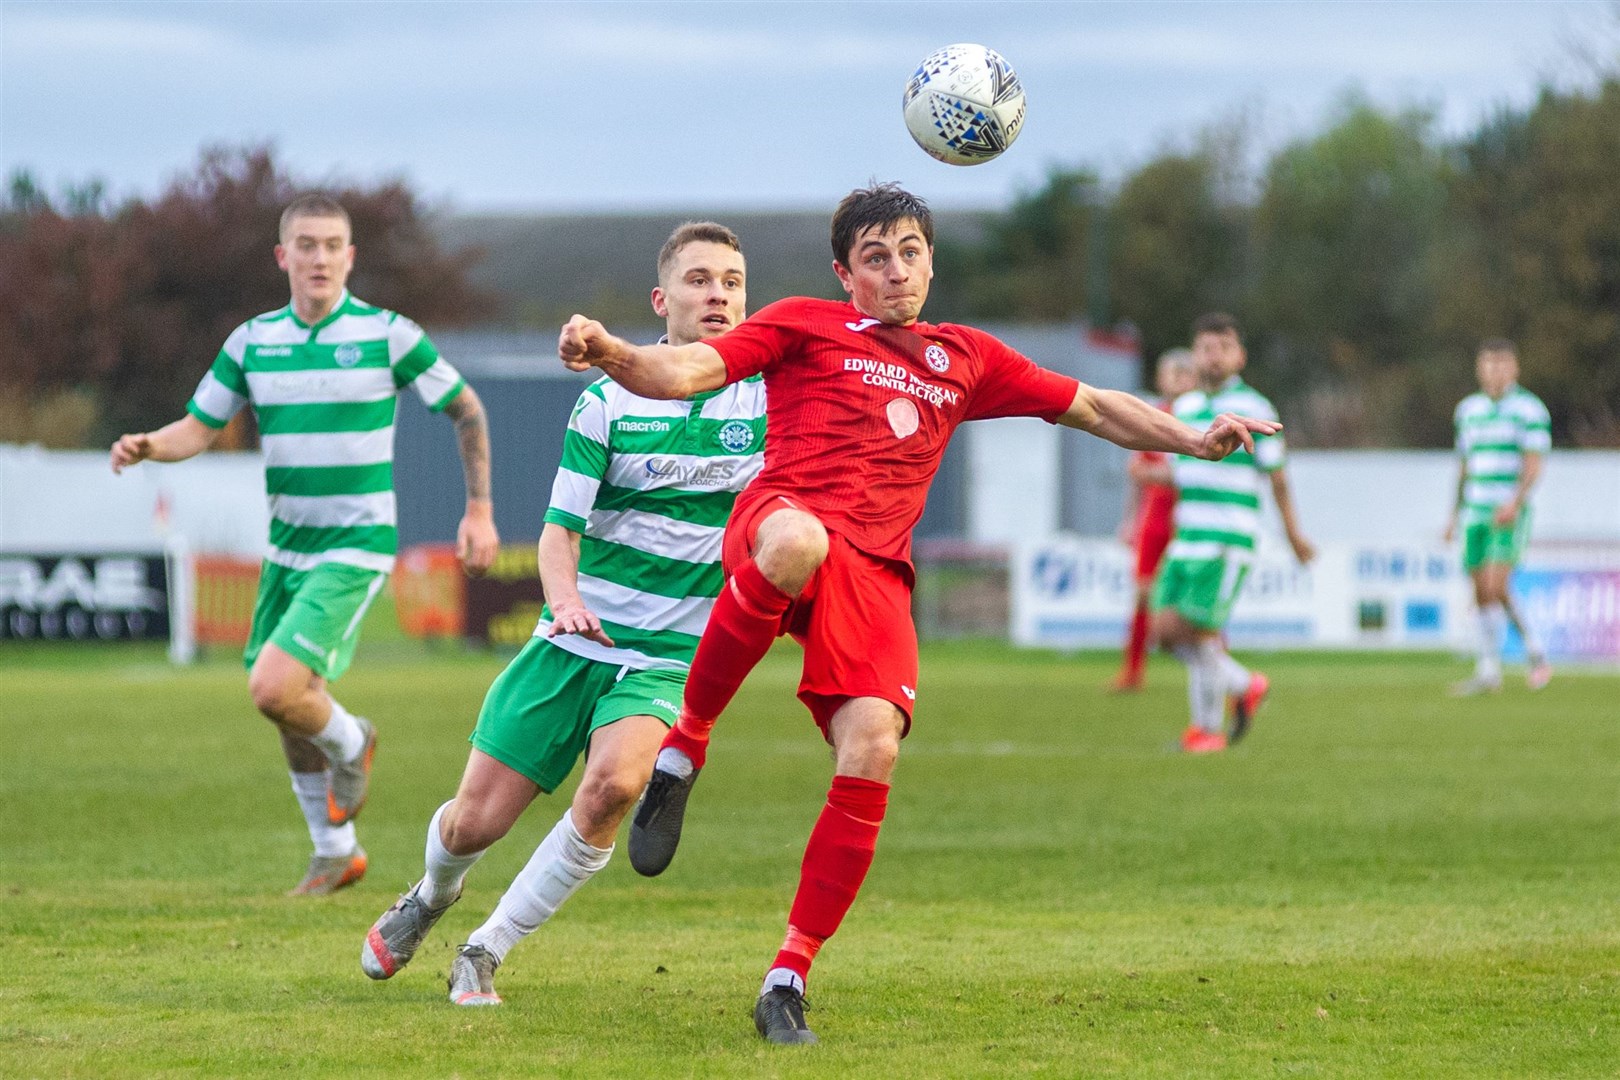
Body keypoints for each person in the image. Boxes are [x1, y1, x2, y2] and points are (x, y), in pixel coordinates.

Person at [556, 183, 1279, 1044]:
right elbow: (685, 370)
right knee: (796, 546)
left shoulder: (962, 356)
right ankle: (688, 746)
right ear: (844, 274)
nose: (896, 272)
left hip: (877, 574)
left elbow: (1090, 405)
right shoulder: (800, 324)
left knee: (874, 746)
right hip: (785, 514)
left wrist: (1192, 439)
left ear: (931, 261)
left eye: (909, 253)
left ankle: (787, 979)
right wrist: (609, 350)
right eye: (875, 257)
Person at [360, 223, 765, 1006]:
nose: (718, 294)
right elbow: (558, 533)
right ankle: (431, 896)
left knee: (616, 786)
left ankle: (487, 948)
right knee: (471, 825)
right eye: (700, 280)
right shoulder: (607, 401)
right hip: (572, 642)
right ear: (663, 299)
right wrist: (567, 600)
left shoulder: (770, 401)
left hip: (668, 656)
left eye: (733, 282)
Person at [110, 193, 499, 895]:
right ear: (282, 257)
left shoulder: (390, 335)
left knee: (275, 685)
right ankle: (335, 851)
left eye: (332, 245)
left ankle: (356, 742)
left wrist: (479, 510)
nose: (319, 257)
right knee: (288, 702)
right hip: (287, 549)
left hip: (357, 543)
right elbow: (198, 426)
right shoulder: (252, 342)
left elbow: (465, 408)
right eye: (306, 245)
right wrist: (148, 446)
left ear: (350, 257)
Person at [1151, 313, 1314, 754]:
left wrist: (1294, 536)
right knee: (1163, 633)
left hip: (1227, 540)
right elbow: (1180, 475)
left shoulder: (1257, 408)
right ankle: (1243, 685)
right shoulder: (1183, 408)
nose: (1213, 354)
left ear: (1239, 355)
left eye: (1223, 346)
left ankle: (1205, 730)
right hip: (1187, 539)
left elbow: (1277, 477)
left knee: (1195, 631)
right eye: (1205, 346)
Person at [1444, 339, 1552, 695]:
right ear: (1479, 368)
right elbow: (1463, 467)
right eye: (1488, 364)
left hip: (1506, 511)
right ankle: (1489, 669)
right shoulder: (1468, 410)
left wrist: (1515, 502)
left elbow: (1534, 465)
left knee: (1496, 585)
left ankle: (1534, 650)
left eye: (1502, 364)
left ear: (1514, 369)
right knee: (1481, 591)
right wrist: (1452, 515)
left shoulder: (1529, 409)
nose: (1494, 371)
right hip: (1474, 509)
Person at [1110, 348, 1198, 692]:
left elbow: (1184, 475)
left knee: (1197, 605)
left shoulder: (1201, 419)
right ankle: (1133, 672)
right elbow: (1136, 472)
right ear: (1161, 379)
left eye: (1184, 373)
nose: (1178, 380)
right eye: (1172, 373)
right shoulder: (1152, 417)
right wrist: (1128, 521)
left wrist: (1158, 474)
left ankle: (1221, 675)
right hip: (1154, 520)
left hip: (1190, 520)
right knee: (1143, 596)